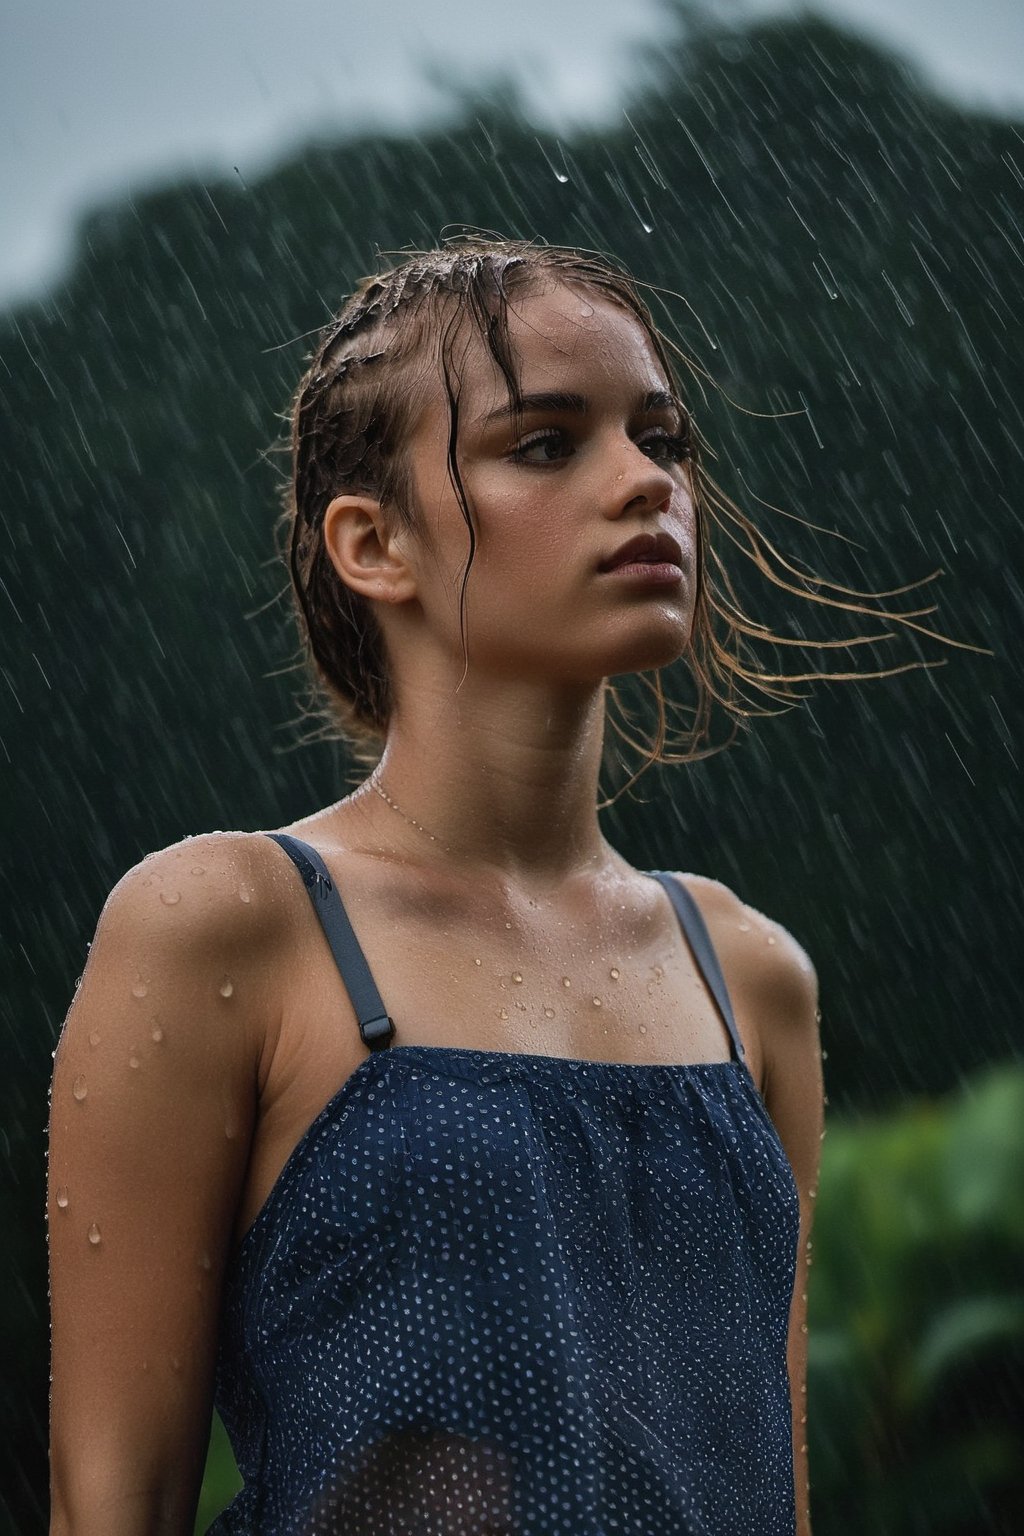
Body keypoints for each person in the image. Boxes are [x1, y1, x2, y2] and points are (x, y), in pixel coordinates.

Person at [47, 238, 832, 1535]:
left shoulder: (747, 971)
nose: (645, 483)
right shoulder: (230, 927)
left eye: (663, 436)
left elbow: (769, 1489)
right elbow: (113, 1503)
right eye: (544, 443)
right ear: (373, 542)